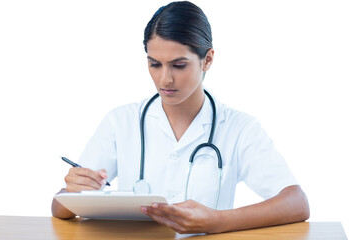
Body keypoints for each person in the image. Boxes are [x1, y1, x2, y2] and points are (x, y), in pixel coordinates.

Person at [52, 1, 309, 234]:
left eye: (178, 65)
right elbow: (59, 207)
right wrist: (72, 190)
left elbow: (297, 203)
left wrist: (218, 221)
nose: (165, 79)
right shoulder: (121, 121)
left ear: (207, 60)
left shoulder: (239, 128)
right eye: (155, 64)